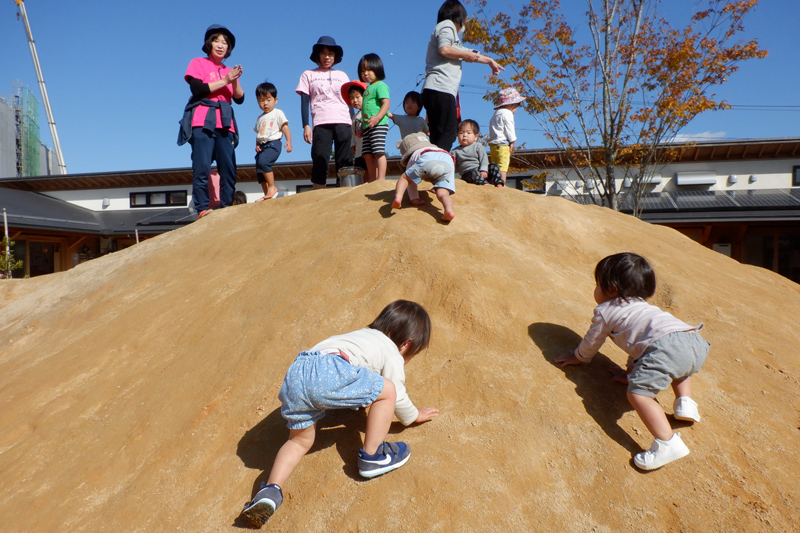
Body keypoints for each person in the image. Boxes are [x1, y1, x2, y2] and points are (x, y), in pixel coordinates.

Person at [240, 300, 439, 528]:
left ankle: (270, 492)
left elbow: (344, 374)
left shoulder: (361, 336)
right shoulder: (392, 351)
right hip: (329, 371)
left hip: (297, 372)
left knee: (298, 441)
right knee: (388, 391)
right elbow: (397, 391)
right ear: (406, 344)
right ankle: (373, 456)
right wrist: (412, 415)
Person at [555, 253, 710, 471]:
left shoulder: (606, 311)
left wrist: (578, 357)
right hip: (694, 339)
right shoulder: (644, 308)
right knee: (679, 365)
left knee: (638, 394)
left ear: (611, 289)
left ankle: (667, 443)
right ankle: (685, 403)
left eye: (598, 284)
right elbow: (642, 345)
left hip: (666, 348)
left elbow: (592, 341)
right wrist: (630, 373)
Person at [178, 24, 244, 219]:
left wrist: (233, 79)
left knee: (228, 168)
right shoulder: (198, 62)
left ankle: (226, 206)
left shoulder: (229, 70)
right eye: (217, 40)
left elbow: (240, 98)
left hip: (225, 121)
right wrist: (225, 80)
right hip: (202, 119)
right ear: (209, 43)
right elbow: (197, 89)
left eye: (225, 42)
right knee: (202, 166)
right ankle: (202, 208)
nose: (221, 45)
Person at [422, 0, 503, 151]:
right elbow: (445, 49)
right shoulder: (447, 25)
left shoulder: (451, 36)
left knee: (438, 134)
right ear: (459, 17)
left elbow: (468, 53)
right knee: (449, 132)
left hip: (434, 89)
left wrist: (489, 61)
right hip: (441, 88)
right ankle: (440, 166)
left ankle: (433, 166)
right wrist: (465, 54)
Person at [296, 36, 353, 190]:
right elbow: (304, 101)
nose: (327, 57)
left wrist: (354, 123)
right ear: (317, 55)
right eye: (324, 53)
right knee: (320, 158)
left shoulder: (342, 75)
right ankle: (319, 195)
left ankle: (345, 191)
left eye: (331, 54)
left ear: (335, 56)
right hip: (321, 121)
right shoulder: (308, 74)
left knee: (345, 159)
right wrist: (306, 125)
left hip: (343, 120)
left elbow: (349, 100)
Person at [392, 133, 457, 222]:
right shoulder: (434, 148)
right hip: (447, 158)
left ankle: (398, 197)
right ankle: (449, 210)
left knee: (405, 178)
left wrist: (414, 199)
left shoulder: (414, 154)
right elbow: (436, 170)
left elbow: (411, 183)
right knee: (443, 193)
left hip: (427, 157)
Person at [253, 82, 292, 201]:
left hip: (273, 144)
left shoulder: (278, 113)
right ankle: (267, 194)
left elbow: (285, 127)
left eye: (268, 100)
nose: (265, 103)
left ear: (275, 100)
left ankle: (272, 186)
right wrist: (257, 145)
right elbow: (259, 134)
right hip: (263, 146)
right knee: (259, 168)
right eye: (261, 100)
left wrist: (289, 141)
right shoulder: (260, 118)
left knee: (264, 162)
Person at [358, 54, 390, 182]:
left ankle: (380, 178)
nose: (366, 73)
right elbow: (365, 110)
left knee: (378, 151)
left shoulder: (380, 85)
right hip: (367, 127)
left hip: (379, 124)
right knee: (367, 154)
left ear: (377, 69)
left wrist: (377, 118)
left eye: (369, 70)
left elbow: (386, 103)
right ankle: (372, 180)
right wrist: (361, 127)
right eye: (362, 71)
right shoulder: (366, 89)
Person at [488, 87, 524, 187]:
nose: (516, 109)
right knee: (503, 166)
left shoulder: (495, 114)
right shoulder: (507, 113)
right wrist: (512, 141)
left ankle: (493, 183)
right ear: (510, 104)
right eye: (517, 105)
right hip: (503, 144)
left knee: (494, 165)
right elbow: (509, 128)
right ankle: (502, 183)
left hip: (493, 145)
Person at [451, 119, 492, 185]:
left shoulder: (478, 146)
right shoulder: (455, 151)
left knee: (493, 166)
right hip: (468, 173)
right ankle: (484, 184)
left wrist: (484, 170)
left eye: (468, 133)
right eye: (461, 133)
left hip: (481, 171)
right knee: (472, 173)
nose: (464, 135)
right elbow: (452, 167)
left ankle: (499, 183)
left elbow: (483, 159)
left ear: (476, 137)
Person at [341, 80, 368, 172]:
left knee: (370, 168)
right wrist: (353, 144)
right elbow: (353, 132)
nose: (355, 100)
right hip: (358, 151)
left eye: (357, 97)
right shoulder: (355, 117)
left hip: (368, 148)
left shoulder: (369, 112)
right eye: (352, 98)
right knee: (361, 171)